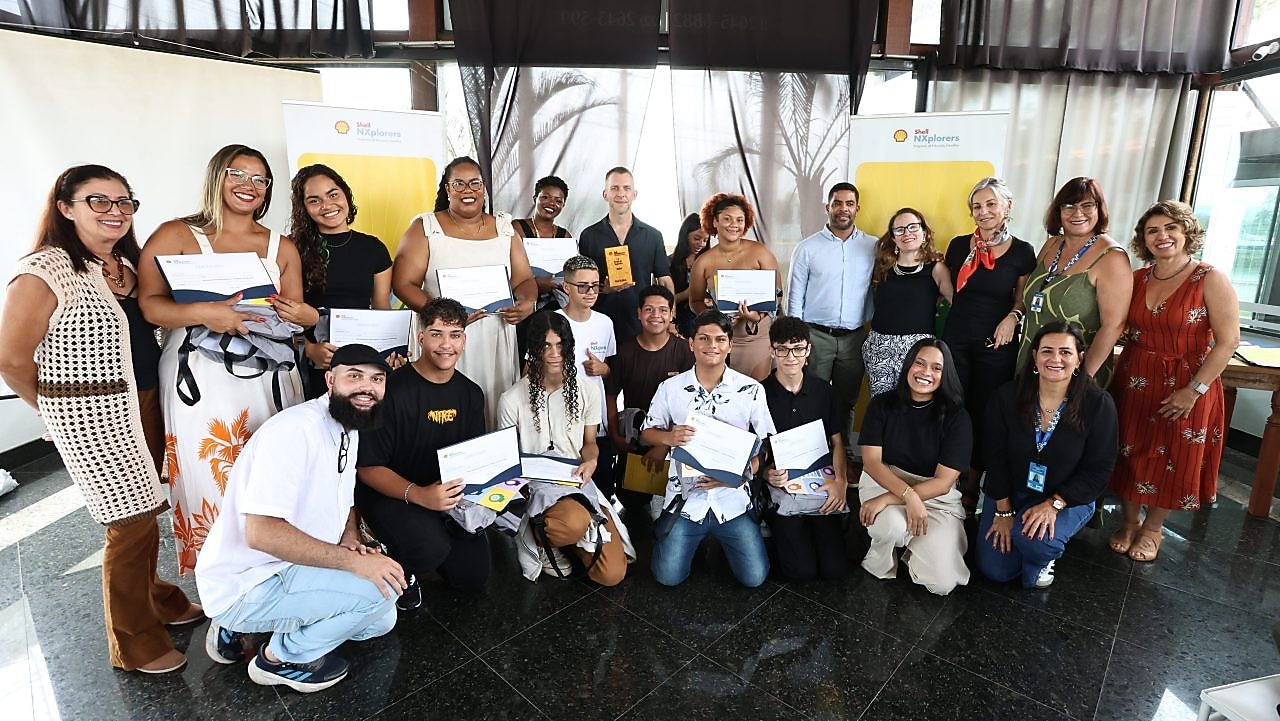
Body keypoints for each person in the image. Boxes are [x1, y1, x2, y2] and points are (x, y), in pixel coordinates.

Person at [0, 165, 202, 674]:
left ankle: (156, 595)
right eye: (99, 201)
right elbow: (11, 358)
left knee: (148, 507)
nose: (115, 211)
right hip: (95, 417)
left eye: (123, 202)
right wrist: (50, 410)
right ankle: (134, 643)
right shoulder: (45, 270)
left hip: (149, 402)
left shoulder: (126, 266)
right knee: (128, 525)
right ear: (66, 208)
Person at [138, 144, 313, 576]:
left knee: (269, 463)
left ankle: (277, 562)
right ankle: (220, 574)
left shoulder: (281, 246)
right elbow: (150, 305)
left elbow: (295, 314)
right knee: (208, 469)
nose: (247, 186)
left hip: (265, 373)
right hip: (199, 373)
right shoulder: (175, 235)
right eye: (237, 174)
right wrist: (203, 313)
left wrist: (305, 318)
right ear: (217, 176)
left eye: (259, 179)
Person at [196, 344, 400, 692]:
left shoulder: (348, 424)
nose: (367, 388)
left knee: (382, 620)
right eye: (355, 376)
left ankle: (250, 627)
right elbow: (262, 535)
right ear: (330, 379)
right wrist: (353, 565)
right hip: (251, 579)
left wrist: (351, 539)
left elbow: (344, 495)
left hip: (291, 565)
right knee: (377, 594)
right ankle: (279, 659)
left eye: (376, 379)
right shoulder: (295, 432)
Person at [1108, 201, 1239, 562]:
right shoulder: (1136, 278)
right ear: (1143, 239)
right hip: (1136, 376)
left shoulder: (1209, 278)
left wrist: (1193, 389)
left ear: (1186, 233)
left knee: (1174, 456)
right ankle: (1130, 521)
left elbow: (1228, 341)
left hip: (1188, 381)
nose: (1162, 236)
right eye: (1153, 231)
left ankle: (1153, 528)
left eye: (1170, 228)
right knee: (1129, 448)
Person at [355, 298, 491, 610]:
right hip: (391, 491)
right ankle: (394, 561)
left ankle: (431, 536)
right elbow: (368, 468)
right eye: (436, 334)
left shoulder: (471, 393)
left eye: (455, 334)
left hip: (443, 494)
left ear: (464, 339)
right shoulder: (392, 391)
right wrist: (419, 495)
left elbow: (473, 457)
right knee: (428, 550)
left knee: (473, 577)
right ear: (421, 337)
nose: (446, 345)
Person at [391, 156, 536, 429]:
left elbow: (524, 279)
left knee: (490, 408)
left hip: (494, 336)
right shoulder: (425, 228)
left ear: (484, 189)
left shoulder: (505, 229)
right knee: (437, 412)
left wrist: (528, 301)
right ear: (447, 189)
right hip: (442, 335)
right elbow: (403, 284)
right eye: (458, 183)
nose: (467, 190)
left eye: (475, 183)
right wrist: (446, 319)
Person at [978, 322, 1119, 588]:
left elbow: (1099, 469)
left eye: (1065, 352)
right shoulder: (1006, 397)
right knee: (996, 570)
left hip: (1068, 498)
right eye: (1047, 351)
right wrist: (1004, 511)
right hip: (1013, 491)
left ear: (1079, 359)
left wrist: (1055, 504)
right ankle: (1026, 537)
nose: (1055, 359)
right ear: (1034, 357)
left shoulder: (1097, 404)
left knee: (1036, 545)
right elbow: (994, 457)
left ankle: (1043, 553)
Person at [641, 310, 776, 587]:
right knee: (668, 577)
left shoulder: (750, 390)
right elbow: (647, 432)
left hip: (733, 500)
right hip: (685, 501)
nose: (711, 345)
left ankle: (726, 545)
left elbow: (767, 442)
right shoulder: (671, 388)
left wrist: (741, 473)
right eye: (703, 338)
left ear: (729, 344)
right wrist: (669, 437)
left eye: (719, 339)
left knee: (754, 578)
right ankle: (681, 542)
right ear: (691, 343)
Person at [499, 313, 635, 585]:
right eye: (545, 345)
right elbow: (507, 462)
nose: (554, 353)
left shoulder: (586, 390)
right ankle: (544, 538)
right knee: (571, 522)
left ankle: (567, 539)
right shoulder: (511, 399)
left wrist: (592, 462)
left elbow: (589, 444)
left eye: (561, 345)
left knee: (612, 574)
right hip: (536, 487)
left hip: (577, 481)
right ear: (533, 349)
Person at [941, 177, 1036, 514]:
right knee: (952, 408)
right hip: (955, 341)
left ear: (1006, 208)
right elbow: (945, 285)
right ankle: (947, 479)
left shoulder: (1023, 252)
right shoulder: (957, 246)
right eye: (977, 206)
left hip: (995, 346)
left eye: (991, 204)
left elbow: (1023, 299)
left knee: (985, 413)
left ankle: (972, 486)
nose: (983, 212)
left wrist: (1012, 316)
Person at [857, 338, 972, 595]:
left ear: (945, 375)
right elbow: (872, 462)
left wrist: (903, 498)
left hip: (935, 495)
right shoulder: (882, 404)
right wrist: (904, 495)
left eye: (936, 368)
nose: (925, 373)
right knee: (892, 527)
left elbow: (943, 483)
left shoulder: (957, 417)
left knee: (942, 584)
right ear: (908, 365)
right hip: (885, 478)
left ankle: (913, 547)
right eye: (919, 364)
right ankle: (882, 550)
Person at [289, 164, 395, 398]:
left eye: (333, 194)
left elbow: (381, 309)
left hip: (364, 360)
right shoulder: (292, 249)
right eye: (314, 200)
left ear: (346, 194)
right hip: (315, 364)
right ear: (303, 208)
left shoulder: (374, 248)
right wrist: (310, 350)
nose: (327, 205)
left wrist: (389, 350)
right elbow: (284, 315)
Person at [787, 182, 876, 458]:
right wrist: (796, 341)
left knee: (846, 401)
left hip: (854, 337)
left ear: (857, 208)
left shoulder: (873, 246)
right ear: (828, 207)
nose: (843, 209)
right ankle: (809, 457)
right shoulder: (807, 248)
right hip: (815, 337)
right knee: (809, 397)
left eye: (849, 203)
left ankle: (844, 454)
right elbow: (794, 296)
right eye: (837, 203)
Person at [1017, 177, 1131, 387]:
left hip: (1073, 372)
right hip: (1032, 361)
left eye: (1087, 205)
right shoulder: (1052, 244)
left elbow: (1114, 326)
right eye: (1069, 206)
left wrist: (1083, 376)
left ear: (1099, 209)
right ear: (1058, 212)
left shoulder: (1112, 257)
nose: (1078, 213)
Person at [759, 316, 850, 582]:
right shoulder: (759, 394)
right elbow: (756, 448)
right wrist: (766, 473)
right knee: (801, 573)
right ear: (772, 351)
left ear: (808, 350)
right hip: (782, 487)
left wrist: (841, 481)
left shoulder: (823, 391)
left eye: (798, 348)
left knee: (834, 570)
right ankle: (779, 531)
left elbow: (837, 441)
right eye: (782, 349)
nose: (790, 357)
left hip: (821, 482)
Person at [605, 285, 695, 491]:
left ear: (672, 314)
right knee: (632, 499)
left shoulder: (684, 351)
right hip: (635, 436)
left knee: (677, 496)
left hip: (676, 437)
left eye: (663, 310)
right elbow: (610, 396)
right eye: (649, 309)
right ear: (639, 313)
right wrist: (616, 436)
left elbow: (692, 404)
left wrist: (664, 444)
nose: (656, 315)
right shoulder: (624, 352)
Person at [687, 193, 781, 381]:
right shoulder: (703, 262)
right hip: (719, 339)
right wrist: (714, 319)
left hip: (757, 335)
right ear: (715, 221)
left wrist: (756, 316)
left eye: (739, 220)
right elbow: (695, 301)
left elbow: (777, 294)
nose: (734, 225)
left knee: (757, 391)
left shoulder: (760, 252)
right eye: (727, 219)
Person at [863, 208, 953, 397]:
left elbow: (956, 305)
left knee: (916, 404)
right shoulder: (881, 267)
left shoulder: (936, 268)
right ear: (893, 237)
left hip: (919, 351)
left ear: (924, 232)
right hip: (880, 347)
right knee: (881, 405)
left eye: (913, 227)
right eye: (900, 229)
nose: (907, 233)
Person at [577, 166, 674, 340]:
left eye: (626, 188)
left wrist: (670, 317)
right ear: (605, 194)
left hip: (641, 325)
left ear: (634, 194)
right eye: (614, 188)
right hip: (599, 322)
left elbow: (665, 280)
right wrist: (603, 289)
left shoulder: (653, 236)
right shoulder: (588, 236)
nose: (621, 193)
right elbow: (580, 283)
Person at [555, 256, 619, 497]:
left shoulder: (605, 323)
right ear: (566, 287)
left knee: (602, 488)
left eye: (595, 285)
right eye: (583, 286)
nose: (591, 292)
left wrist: (603, 369)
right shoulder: (553, 321)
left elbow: (611, 371)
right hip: (561, 420)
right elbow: (529, 373)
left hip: (596, 420)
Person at [513, 175, 573, 362]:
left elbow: (571, 273)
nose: (551, 203)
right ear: (535, 199)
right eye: (545, 197)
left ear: (563, 205)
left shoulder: (565, 235)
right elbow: (507, 268)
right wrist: (537, 284)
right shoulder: (517, 228)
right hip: (523, 305)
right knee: (525, 356)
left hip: (556, 307)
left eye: (558, 200)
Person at [670, 212, 709, 337]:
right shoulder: (669, 263)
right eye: (697, 239)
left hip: (705, 317)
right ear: (685, 236)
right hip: (679, 320)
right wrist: (687, 294)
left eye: (705, 240)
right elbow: (664, 302)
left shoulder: (710, 262)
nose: (701, 244)